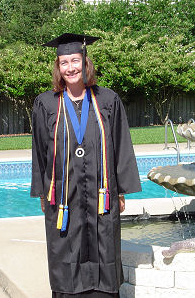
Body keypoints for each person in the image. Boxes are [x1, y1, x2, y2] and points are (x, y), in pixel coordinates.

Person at [31, 33, 141, 298]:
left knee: (103, 240)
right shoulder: (46, 103)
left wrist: (121, 190)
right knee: (65, 244)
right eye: (64, 62)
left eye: (75, 60)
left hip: (101, 192)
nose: (71, 68)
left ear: (85, 62)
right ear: (58, 67)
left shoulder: (107, 99)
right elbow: (40, 151)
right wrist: (43, 192)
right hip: (63, 194)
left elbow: (120, 144)